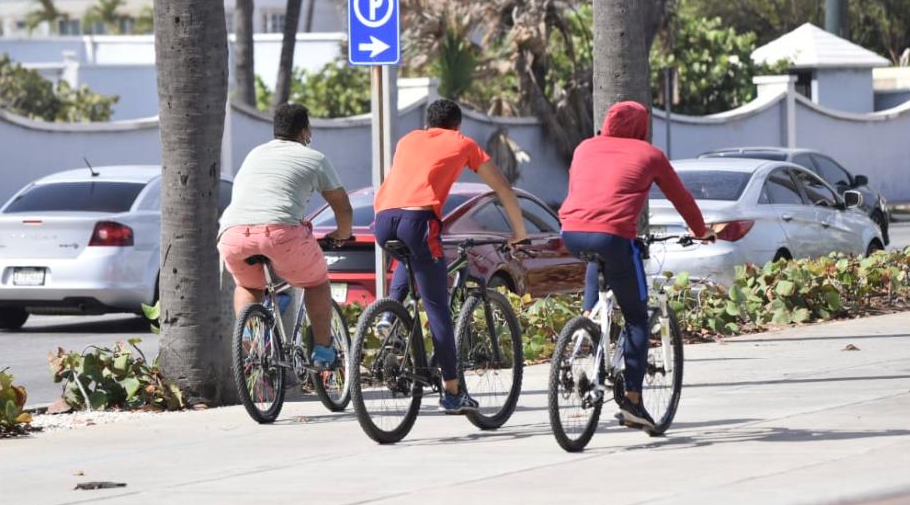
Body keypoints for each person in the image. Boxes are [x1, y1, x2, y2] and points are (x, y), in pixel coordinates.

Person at [559, 101, 715, 432]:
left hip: (571, 233)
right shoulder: (650, 154)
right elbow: (681, 198)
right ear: (641, 129)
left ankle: (587, 326)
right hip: (615, 238)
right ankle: (632, 399)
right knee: (636, 316)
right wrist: (701, 231)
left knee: (596, 260)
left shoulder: (585, 147)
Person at [373, 98, 529, 414]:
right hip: (419, 221)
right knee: (437, 307)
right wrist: (520, 233)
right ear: (457, 124)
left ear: (428, 123)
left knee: (410, 259)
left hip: (383, 221)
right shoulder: (463, 143)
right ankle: (453, 392)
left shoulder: (408, 139)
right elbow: (503, 189)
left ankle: (389, 316)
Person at [217, 103, 353, 370]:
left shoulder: (255, 154)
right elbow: (342, 206)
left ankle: (250, 339)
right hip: (280, 235)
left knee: (249, 286)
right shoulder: (313, 158)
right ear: (305, 131)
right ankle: (324, 352)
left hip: (233, 235)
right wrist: (343, 234)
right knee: (316, 281)